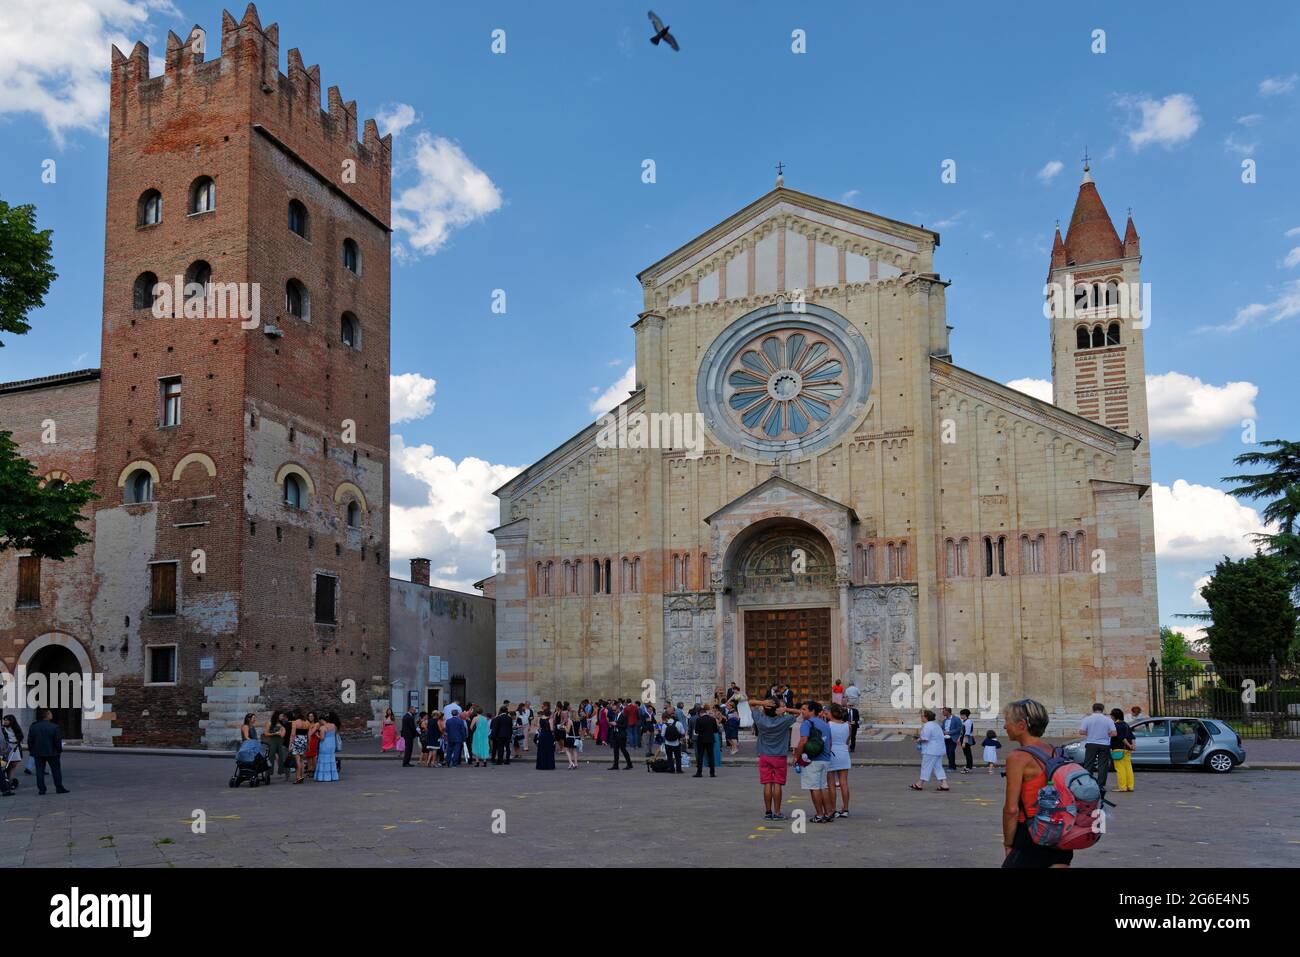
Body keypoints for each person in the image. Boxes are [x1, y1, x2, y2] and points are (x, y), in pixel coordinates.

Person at [1002, 698, 1071, 868]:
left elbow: (1011, 809)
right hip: (1061, 831)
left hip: (1032, 834)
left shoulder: (1018, 758)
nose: (1004, 726)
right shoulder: (1054, 751)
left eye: (1007, 721)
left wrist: (1008, 843)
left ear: (1021, 725)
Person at [749, 698, 798, 818]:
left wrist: (762, 703)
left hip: (764, 755)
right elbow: (800, 713)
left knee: (767, 783)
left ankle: (768, 812)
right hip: (779, 755)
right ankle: (777, 812)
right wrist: (785, 709)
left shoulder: (760, 719)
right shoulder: (785, 720)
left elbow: (750, 703)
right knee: (777, 784)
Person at [795, 701, 834, 821]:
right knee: (823, 786)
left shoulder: (807, 723)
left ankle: (819, 815)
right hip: (825, 759)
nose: (802, 711)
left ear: (812, 711)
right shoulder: (825, 724)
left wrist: (797, 756)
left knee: (814, 788)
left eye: (804, 709)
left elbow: (803, 740)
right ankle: (828, 813)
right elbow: (830, 742)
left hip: (812, 760)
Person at [27, 710, 69, 795]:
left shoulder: (34, 727)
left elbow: (30, 740)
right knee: (56, 770)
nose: (52, 715)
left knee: (39, 771)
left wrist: (32, 750)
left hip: (38, 752)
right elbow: (57, 741)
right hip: (52, 752)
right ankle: (59, 787)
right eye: (50, 714)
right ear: (47, 715)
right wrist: (59, 750)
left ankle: (41, 789)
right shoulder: (54, 727)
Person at [1079, 702, 1116, 789]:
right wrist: (1106, 734)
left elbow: (1081, 731)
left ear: (1093, 709)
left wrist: (1090, 733)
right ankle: (1100, 785)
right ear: (1103, 709)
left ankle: (1088, 783)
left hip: (1091, 743)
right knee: (1103, 765)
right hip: (1104, 744)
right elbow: (1114, 733)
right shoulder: (1108, 720)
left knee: (1089, 764)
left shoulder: (1087, 719)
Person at [911, 709, 949, 792]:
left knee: (926, 767)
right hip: (939, 749)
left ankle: (919, 784)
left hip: (930, 750)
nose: (921, 717)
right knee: (938, 767)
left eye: (922, 716)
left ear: (926, 717)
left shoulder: (927, 726)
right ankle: (944, 784)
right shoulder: (936, 725)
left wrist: (918, 739)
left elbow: (925, 738)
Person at [826, 703, 853, 818]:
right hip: (844, 752)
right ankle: (845, 808)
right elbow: (848, 740)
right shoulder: (848, 725)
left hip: (832, 752)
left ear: (832, 713)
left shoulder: (828, 725)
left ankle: (833, 808)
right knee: (844, 782)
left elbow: (828, 741)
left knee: (831, 783)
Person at [1110, 708, 1136, 792]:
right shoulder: (1125, 724)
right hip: (1127, 750)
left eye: (1111, 715)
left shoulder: (1116, 725)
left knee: (1120, 768)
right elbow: (1132, 736)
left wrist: (1129, 745)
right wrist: (1133, 746)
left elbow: (1122, 738)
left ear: (1114, 716)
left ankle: (1122, 787)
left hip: (1118, 748)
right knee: (1128, 767)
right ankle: (1130, 786)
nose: (1111, 716)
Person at [288, 709, 313, 784]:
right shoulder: (307, 722)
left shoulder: (295, 722)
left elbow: (293, 734)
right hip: (304, 740)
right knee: (301, 759)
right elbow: (309, 735)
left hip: (297, 741)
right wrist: (308, 744)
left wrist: (290, 745)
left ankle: (298, 777)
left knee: (297, 760)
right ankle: (301, 776)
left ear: (296, 714)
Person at [693, 706, 719, 778]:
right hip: (710, 739)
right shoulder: (712, 719)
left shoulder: (699, 720)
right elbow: (715, 730)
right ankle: (712, 773)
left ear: (700, 713)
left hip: (701, 740)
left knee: (700, 756)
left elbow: (696, 731)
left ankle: (699, 772)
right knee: (711, 756)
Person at [314, 712, 341, 782]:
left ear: (321, 720)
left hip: (325, 744)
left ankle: (324, 777)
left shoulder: (323, 727)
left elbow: (322, 738)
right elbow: (335, 733)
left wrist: (317, 735)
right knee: (331, 759)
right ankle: (333, 776)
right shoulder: (334, 725)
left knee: (323, 759)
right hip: (332, 744)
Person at [263, 710, 289, 780]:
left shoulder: (282, 723)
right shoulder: (270, 723)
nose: (282, 717)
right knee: (270, 757)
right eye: (281, 716)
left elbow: (285, 732)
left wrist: (283, 732)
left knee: (283, 757)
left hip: (281, 741)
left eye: (283, 716)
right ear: (277, 716)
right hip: (272, 741)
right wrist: (275, 733)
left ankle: (286, 774)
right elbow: (265, 733)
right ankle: (268, 774)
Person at [608, 701, 633, 770]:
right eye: (613, 710)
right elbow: (615, 723)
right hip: (615, 734)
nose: (613, 711)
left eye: (615, 710)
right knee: (615, 750)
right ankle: (615, 765)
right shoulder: (615, 715)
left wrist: (616, 724)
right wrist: (611, 724)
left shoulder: (624, 715)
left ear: (618, 709)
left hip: (621, 735)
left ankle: (629, 764)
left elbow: (625, 726)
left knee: (623, 750)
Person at [2, 715, 24, 790]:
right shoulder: (2, 729)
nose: (5, 721)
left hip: (15, 748)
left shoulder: (16, 728)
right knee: (5, 765)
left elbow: (20, 737)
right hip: (6, 748)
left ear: (11, 721)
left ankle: (10, 781)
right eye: (4, 720)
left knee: (13, 765)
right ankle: (5, 780)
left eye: (7, 720)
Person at [661, 709, 686, 773]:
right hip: (676, 743)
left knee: (669, 757)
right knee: (678, 757)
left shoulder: (664, 725)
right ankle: (679, 769)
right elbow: (683, 733)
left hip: (668, 743)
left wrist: (665, 741)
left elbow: (662, 735)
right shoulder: (678, 723)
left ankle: (671, 769)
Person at [535, 705, 556, 770]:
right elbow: (551, 729)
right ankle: (549, 765)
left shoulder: (540, 719)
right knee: (549, 750)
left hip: (542, 735)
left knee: (542, 750)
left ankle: (541, 765)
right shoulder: (550, 720)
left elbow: (538, 728)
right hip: (548, 735)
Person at [941, 707, 961, 772]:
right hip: (945, 738)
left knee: (951, 752)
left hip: (953, 738)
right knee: (948, 752)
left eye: (944, 711)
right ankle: (952, 765)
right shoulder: (944, 720)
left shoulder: (956, 719)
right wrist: (943, 731)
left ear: (948, 712)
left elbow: (959, 729)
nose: (942, 712)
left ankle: (952, 767)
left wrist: (949, 732)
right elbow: (942, 728)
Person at [959, 708, 975, 773]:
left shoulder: (968, 722)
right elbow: (962, 732)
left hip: (966, 739)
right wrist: (959, 739)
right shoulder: (965, 721)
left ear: (964, 715)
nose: (960, 716)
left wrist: (964, 742)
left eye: (961, 714)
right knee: (966, 753)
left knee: (968, 753)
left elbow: (967, 733)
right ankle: (968, 766)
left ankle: (968, 767)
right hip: (964, 739)